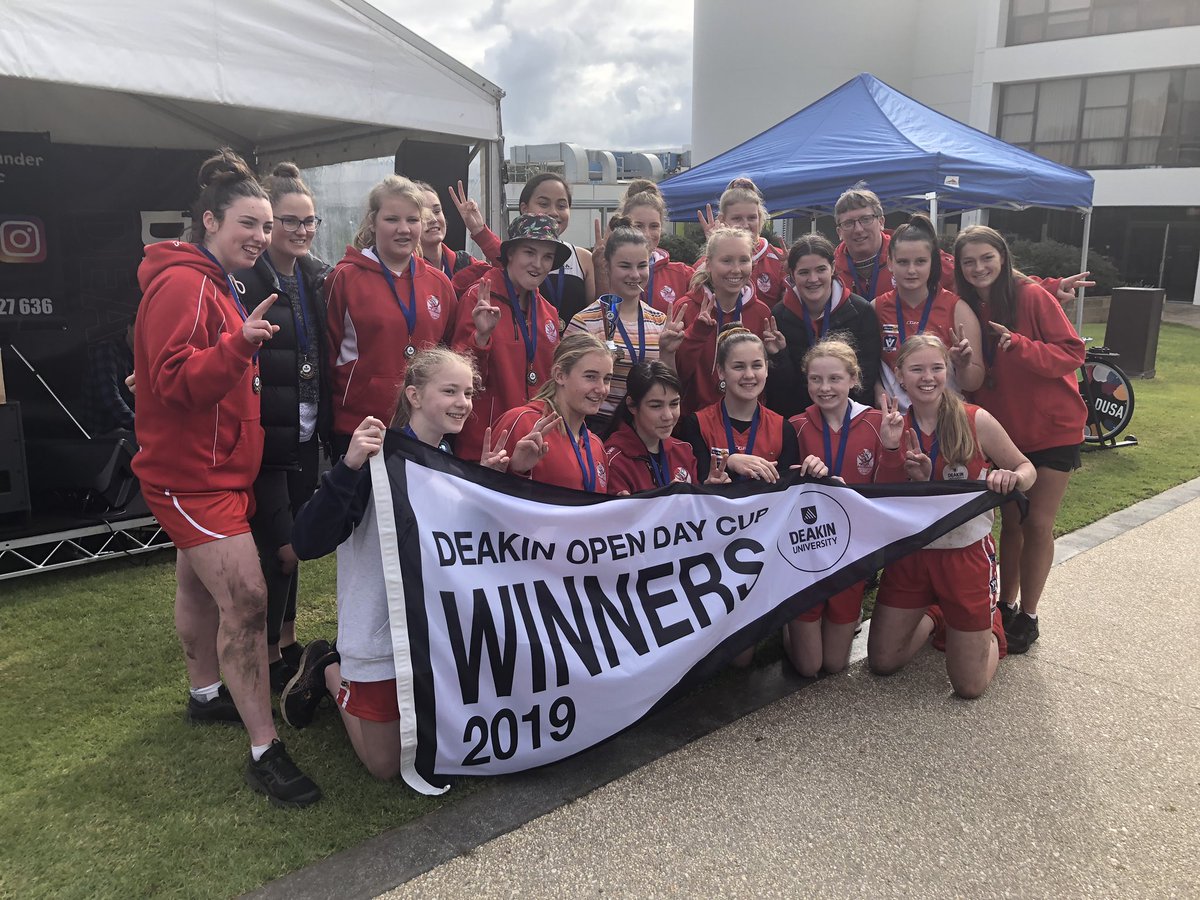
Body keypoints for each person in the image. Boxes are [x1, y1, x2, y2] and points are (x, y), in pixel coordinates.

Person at [132, 147, 320, 808]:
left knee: (199, 584)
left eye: (266, 227)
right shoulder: (186, 282)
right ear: (209, 220)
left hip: (216, 470)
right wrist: (239, 345)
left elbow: (160, 373)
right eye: (249, 223)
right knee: (247, 601)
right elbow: (179, 381)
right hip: (193, 478)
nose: (261, 238)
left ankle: (206, 693)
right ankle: (265, 747)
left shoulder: (214, 280)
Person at [282, 348, 541, 778]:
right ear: (415, 396)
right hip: (379, 629)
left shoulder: (449, 461)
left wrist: (498, 478)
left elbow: (470, 543)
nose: (463, 402)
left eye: (468, 392)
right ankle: (328, 667)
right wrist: (346, 468)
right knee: (386, 768)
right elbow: (307, 542)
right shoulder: (376, 459)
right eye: (450, 391)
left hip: (435, 632)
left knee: (434, 739)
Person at [868, 334, 1036, 699]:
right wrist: (894, 451)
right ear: (900, 374)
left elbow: (1027, 467)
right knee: (882, 662)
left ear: (947, 371)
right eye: (916, 369)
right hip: (911, 554)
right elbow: (880, 495)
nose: (927, 377)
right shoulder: (891, 423)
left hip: (965, 554)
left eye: (936, 368)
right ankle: (936, 613)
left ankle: (990, 625)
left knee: (968, 686)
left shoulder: (975, 419)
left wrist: (1012, 477)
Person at [954, 226, 1087, 654]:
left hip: (1052, 427)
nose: (978, 268)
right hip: (1007, 434)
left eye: (986, 258)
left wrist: (1022, 346)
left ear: (1003, 256)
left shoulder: (1028, 296)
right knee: (1011, 524)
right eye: (968, 261)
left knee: (1037, 524)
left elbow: (1072, 352)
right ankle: (1004, 606)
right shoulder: (969, 303)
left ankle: (1029, 615)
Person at [235, 162, 331, 692]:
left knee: (294, 544)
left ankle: (288, 640)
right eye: (286, 222)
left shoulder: (316, 274)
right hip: (268, 435)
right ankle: (269, 652)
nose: (299, 230)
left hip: (306, 431)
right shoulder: (248, 279)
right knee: (276, 545)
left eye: (308, 221)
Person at [786, 339, 907, 677]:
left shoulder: (875, 422)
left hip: (853, 556)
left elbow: (889, 490)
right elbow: (782, 493)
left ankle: (835, 616)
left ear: (854, 379)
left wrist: (893, 447)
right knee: (809, 668)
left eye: (835, 379)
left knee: (835, 664)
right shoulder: (795, 425)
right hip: (808, 555)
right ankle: (788, 623)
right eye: (815, 379)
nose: (824, 388)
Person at [324, 175, 458, 456]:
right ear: (372, 222)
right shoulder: (344, 278)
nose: (403, 229)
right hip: (360, 427)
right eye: (392, 219)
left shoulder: (440, 284)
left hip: (423, 427)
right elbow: (328, 351)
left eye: (412, 220)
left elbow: (446, 351)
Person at [831, 183, 1091, 303]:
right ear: (839, 231)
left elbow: (980, 273)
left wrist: (1051, 286)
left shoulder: (911, 252)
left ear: (880, 220)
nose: (858, 229)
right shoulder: (829, 269)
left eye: (865, 219)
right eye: (848, 223)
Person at [449, 214, 570, 462]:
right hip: (485, 447)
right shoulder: (480, 298)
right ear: (510, 254)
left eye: (547, 257)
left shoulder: (548, 312)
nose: (538, 264)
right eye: (529, 252)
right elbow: (458, 376)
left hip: (532, 445)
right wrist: (481, 337)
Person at [566, 220, 684, 429]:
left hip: (647, 430)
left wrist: (668, 353)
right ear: (607, 266)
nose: (635, 275)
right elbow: (567, 385)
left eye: (641, 265)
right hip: (598, 427)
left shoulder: (659, 321)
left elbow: (668, 385)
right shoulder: (584, 323)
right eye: (624, 266)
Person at [873, 214, 985, 409]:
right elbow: (868, 368)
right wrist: (877, 390)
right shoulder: (876, 308)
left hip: (947, 419)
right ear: (890, 263)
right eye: (902, 262)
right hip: (897, 420)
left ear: (932, 263)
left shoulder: (958, 310)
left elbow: (974, 383)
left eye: (920, 262)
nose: (911, 270)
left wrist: (963, 365)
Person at [764, 233, 881, 418]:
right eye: (804, 272)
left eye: (821, 270)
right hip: (798, 422)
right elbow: (780, 388)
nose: (813, 279)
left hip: (848, 423)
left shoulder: (860, 311)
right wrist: (780, 355)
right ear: (792, 274)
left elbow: (865, 378)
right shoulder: (778, 316)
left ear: (833, 268)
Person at [493, 332, 615, 492]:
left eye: (607, 379)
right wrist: (516, 471)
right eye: (590, 377)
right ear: (560, 375)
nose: (601, 389)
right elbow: (487, 497)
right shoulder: (523, 422)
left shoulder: (596, 445)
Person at [673, 227, 773, 417]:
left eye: (744, 260)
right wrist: (696, 335)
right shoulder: (686, 308)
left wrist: (778, 354)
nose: (736, 270)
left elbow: (764, 379)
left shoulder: (762, 312)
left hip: (745, 422)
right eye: (726, 261)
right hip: (695, 422)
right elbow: (678, 375)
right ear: (709, 264)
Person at [594, 180, 694, 312]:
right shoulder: (608, 268)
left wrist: (714, 246)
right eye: (638, 226)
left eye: (654, 226)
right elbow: (601, 315)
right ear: (624, 225)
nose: (646, 234)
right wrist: (601, 269)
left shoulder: (681, 274)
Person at [602, 361, 698, 493]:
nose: (668, 416)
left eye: (674, 404)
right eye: (656, 406)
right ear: (632, 406)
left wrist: (709, 492)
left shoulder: (683, 450)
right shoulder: (615, 460)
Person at [695, 177, 789, 306]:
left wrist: (794, 271)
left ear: (760, 218)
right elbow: (693, 295)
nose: (745, 225)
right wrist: (715, 249)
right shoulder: (709, 260)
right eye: (737, 218)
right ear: (722, 220)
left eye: (752, 218)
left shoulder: (778, 259)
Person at [516, 173, 595, 324]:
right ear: (524, 209)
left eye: (561, 206)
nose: (553, 212)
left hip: (575, 346)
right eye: (544, 204)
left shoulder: (584, 259)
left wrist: (602, 267)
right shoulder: (511, 256)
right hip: (528, 345)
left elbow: (598, 317)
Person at [415, 180, 502, 279]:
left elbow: (511, 272)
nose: (433, 219)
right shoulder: (407, 271)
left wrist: (480, 231)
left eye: (437, 211)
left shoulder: (465, 264)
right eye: (423, 214)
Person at [82, 313, 136, 437]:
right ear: (129, 328)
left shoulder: (146, 355)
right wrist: (142, 425)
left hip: (130, 426)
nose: (143, 333)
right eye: (139, 327)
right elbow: (111, 400)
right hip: (103, 431)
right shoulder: (107, 350)